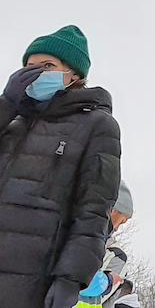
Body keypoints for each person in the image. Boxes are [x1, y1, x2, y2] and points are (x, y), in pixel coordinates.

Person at [0, 26, 122, 308]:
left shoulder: (97, 125)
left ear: (74, 75)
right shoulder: (12, 121)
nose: (35, 74)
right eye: (29, 67)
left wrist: (71, 277)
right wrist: (6, 105)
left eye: (47, 66)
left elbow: (93, 209)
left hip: (32, 281)